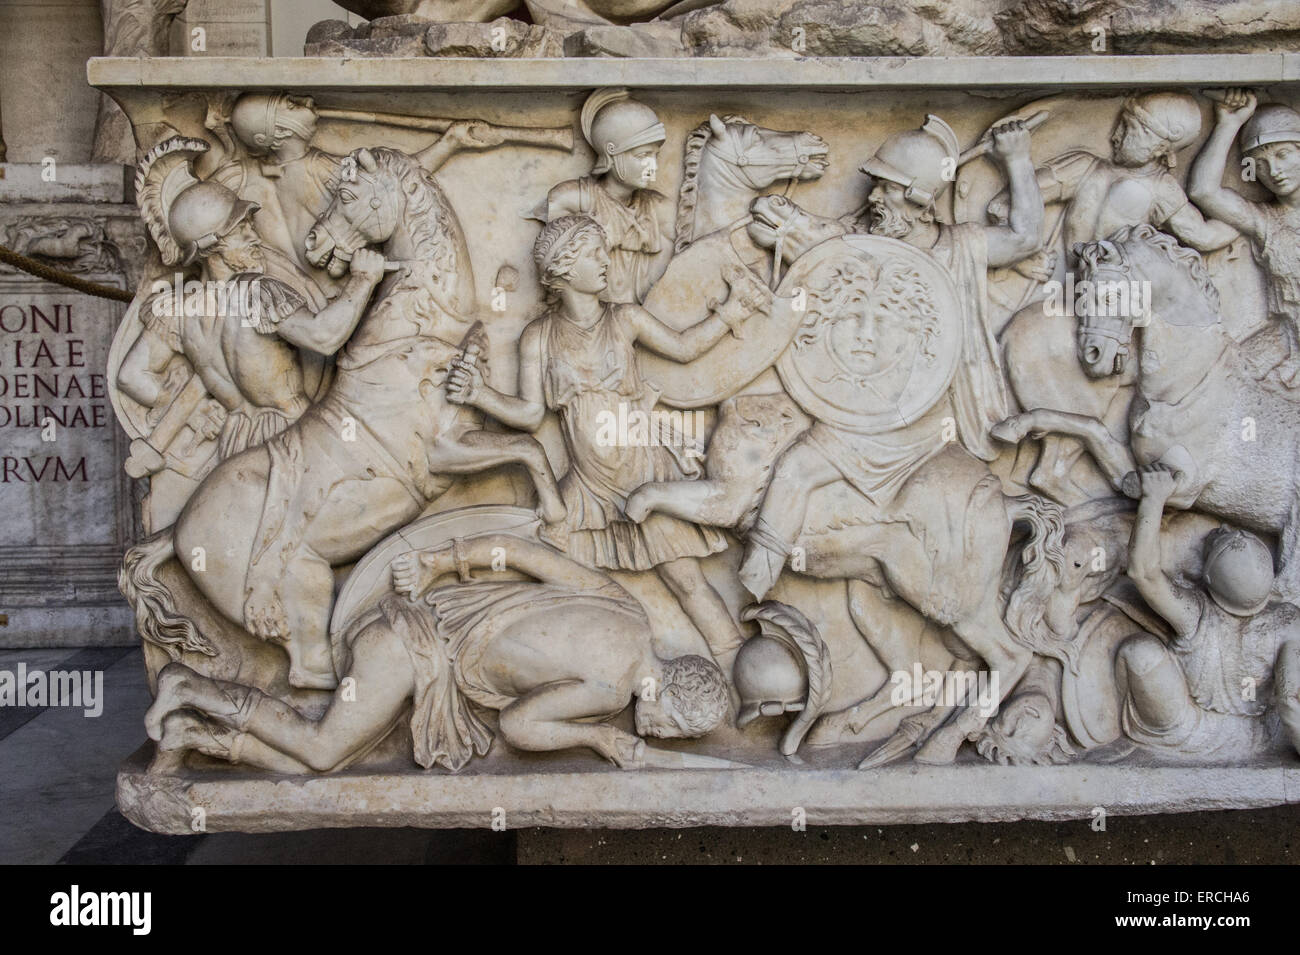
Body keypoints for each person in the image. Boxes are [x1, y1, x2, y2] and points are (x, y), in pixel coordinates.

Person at [446, 215, 771, 665]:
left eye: (605, 251)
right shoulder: (538, 336)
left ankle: (736, 660)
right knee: (570, 575)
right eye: (593, 254)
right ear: (562, 269)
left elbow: (683, 348)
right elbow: (529, 413)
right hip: (590, 484)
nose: (606, 261)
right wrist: (479, 394)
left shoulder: (626, 319)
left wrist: (733, 311)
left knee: (686, 580)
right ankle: (609, 659)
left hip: (642, 468)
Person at [144, 533, 730, 773]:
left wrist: (437, 562)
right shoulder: (606, 693)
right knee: (322, 752)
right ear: (670, 695)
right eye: (670, 731)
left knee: (318, 762)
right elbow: (519, 724)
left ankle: (197, 737)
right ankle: (189, 687)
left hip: (416, 622)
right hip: (408, 649)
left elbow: (515, 552)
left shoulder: (630, 612)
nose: (656, 738)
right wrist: (598, 737)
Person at [119, 166, 385, 461]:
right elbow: (323, 337)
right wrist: (364, 279)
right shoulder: (255, 292)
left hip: (235, 443)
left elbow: (132, 377)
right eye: (240, 231)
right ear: (211, 246)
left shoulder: (179, 309)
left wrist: (193, 412)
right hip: (291, 435)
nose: (254, 237)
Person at [1118, 464, 1300, 761]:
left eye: (1219, 542)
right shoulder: (1290, 622)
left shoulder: (1196, 613)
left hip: (1190, 730)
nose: (1224, 529)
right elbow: (1292, 700)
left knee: (1139, 652)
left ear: (1209, 581)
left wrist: (1153, 497)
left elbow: (1143, 573)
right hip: (1261, 737)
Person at [1189, 89, 1300, 386]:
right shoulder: (1266, 221)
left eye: (1283, 154)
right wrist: (1228, 124)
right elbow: (1203, 191)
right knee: (1223, 377)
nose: (1273, 170)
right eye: (1259, 163)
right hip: (1286, 341)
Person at [545, 88, 672, 304]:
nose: (654, 166)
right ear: (611, 151)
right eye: (643, 156)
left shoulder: (658, 207)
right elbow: (555, 275)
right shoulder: (573, 199)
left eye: (655, 155)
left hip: (641, 320)